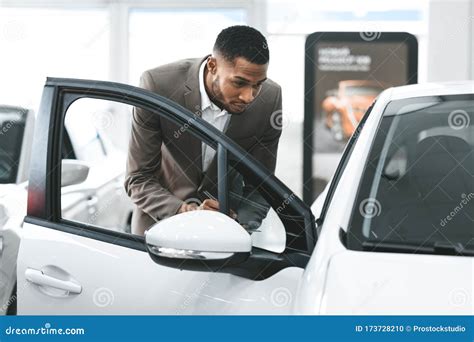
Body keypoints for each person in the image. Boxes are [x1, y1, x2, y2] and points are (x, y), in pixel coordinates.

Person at [125, 25, 283, 236]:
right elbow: (138, 178)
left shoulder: (269, 100)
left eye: (258, 85)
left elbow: (262, 187)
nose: (249, 96)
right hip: (158, 230)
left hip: (227, 238)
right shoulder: (158, 86)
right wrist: (186, 212)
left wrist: (236, 229)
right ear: (212, 66)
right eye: (239, 83)